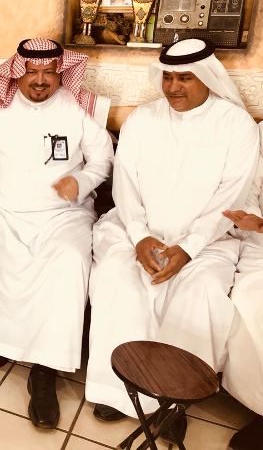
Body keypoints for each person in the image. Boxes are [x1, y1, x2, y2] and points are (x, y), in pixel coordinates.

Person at [85, 39, 259, 442]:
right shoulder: (142, 120)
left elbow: (231, 196)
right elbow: (125, 187)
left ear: (207, 77)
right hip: (135, 230)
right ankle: (118, 391)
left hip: (208, 241)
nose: (173, 87)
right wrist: (140, 237)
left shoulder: (236, 125)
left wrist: (189, 248)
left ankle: (174, 401)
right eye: (167, 77)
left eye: (185, 78)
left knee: (201, 292)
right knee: (116, 278)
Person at [0, 38, 114, 429]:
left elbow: (103, 160)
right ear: (17, 72)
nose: (40, 80)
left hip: (62, 215)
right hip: (0, 211)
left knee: (71, 262)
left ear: (61, 72)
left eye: (49, 72)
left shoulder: (79, 108)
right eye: (32, 72)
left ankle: (45, 368)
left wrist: (81, 180)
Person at [220, 142, 263, 450]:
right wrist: (253, 218)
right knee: (250, 297)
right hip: (260, 244)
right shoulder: (259, 136)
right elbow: (252, 186)